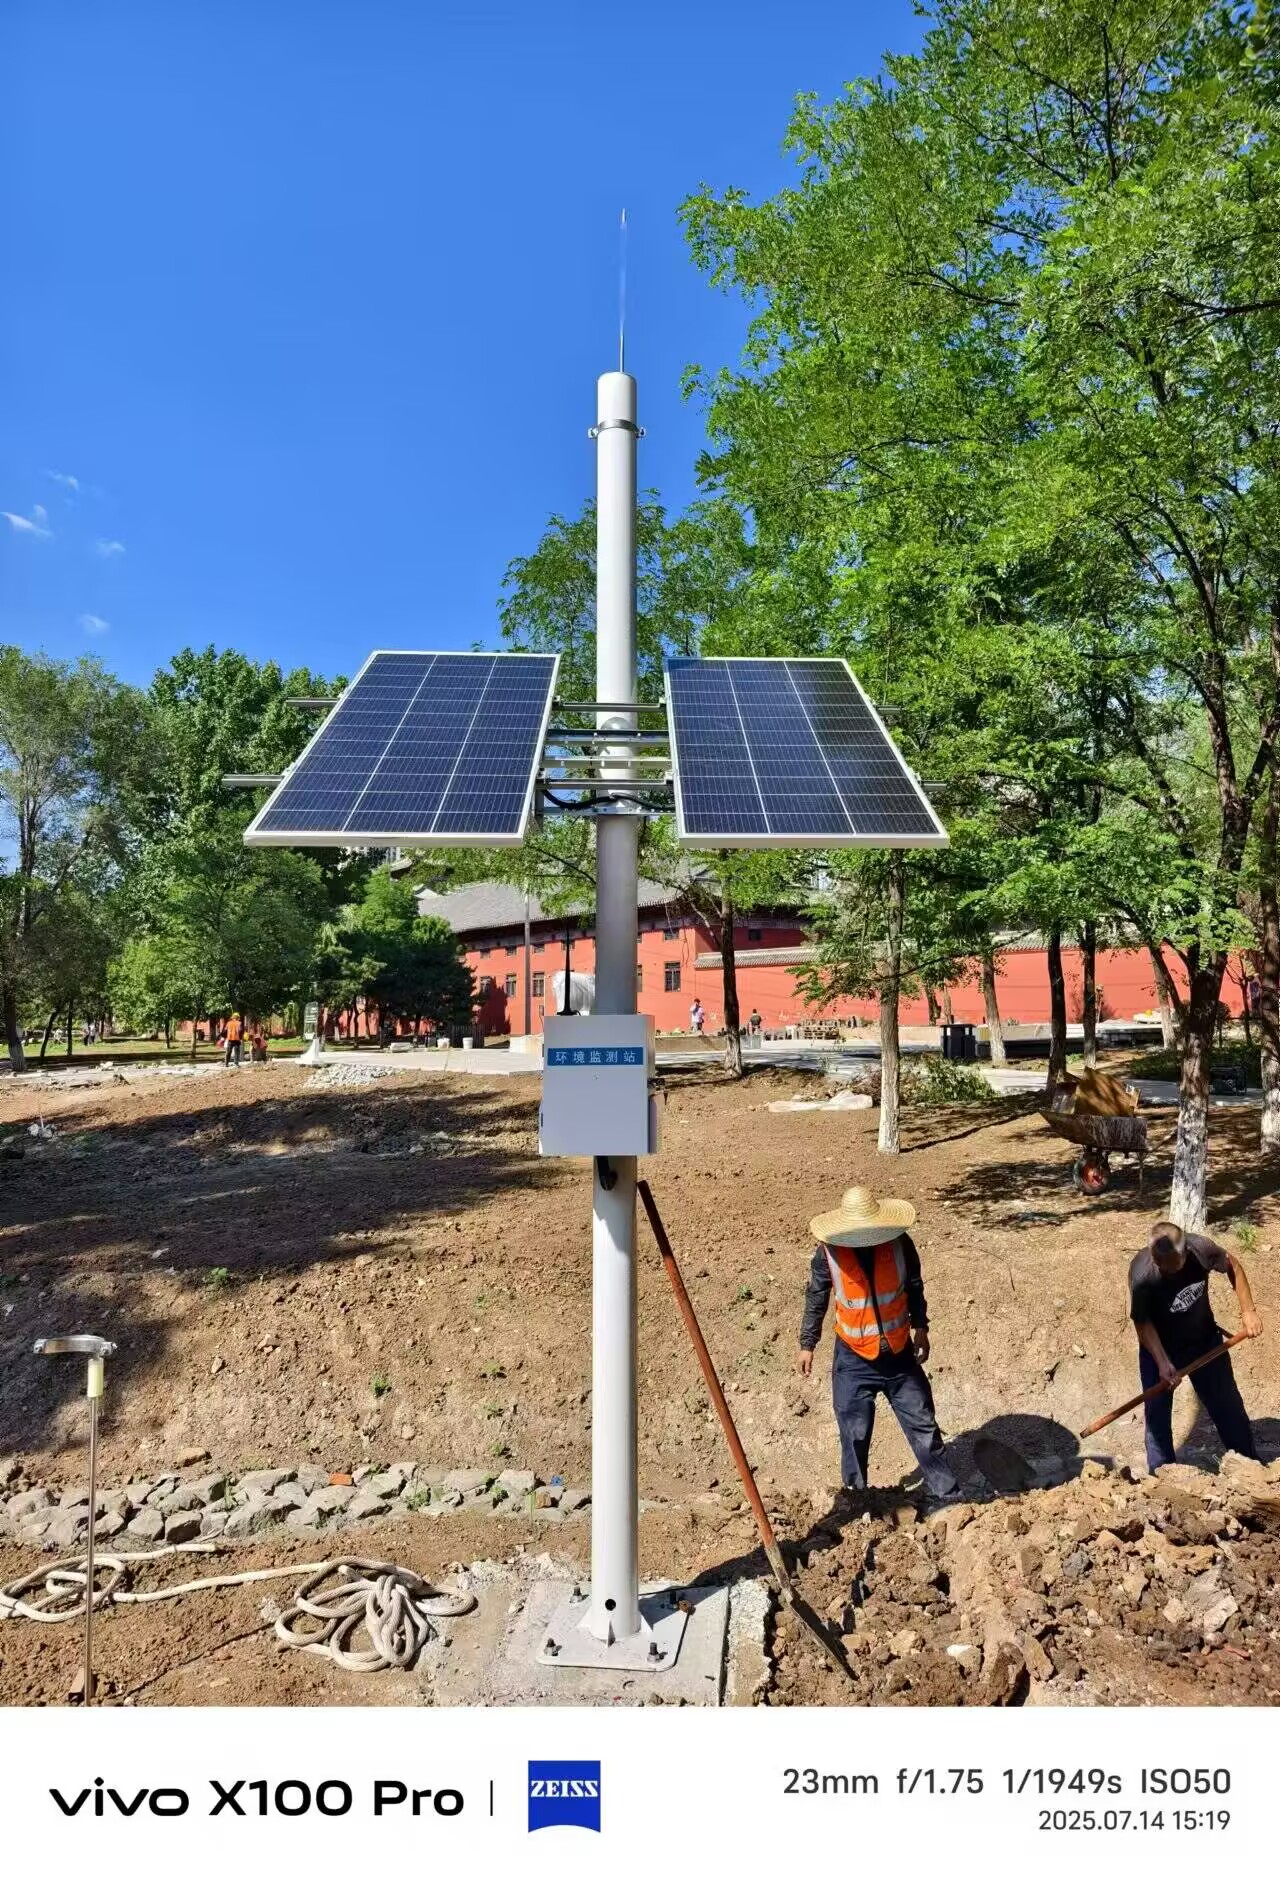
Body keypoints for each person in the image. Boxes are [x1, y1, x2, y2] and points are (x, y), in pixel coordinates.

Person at [799, 1183, 960, 1501]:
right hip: (853, 1359)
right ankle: (856, 1502)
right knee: (854, 1432)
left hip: (899, 1355)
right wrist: (808, 1343)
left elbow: (914, 1286)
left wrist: (921, 1327)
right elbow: (816, 1296)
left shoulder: (900, 1244)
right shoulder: (829, 1253)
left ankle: (950, 1497)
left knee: (923, 1426)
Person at [1129, 1219, 1263, 1472]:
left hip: (1204, 1342)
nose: (1166, 1271)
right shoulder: (1142, 1273)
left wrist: (1248, 1310)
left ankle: (1249, 1467)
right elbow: (1143, 1324)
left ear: (1185, 1252)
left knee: (1227, 1405)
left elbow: (1233, 1264)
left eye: (1173, 1266)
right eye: (1161, 1265)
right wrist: (1162, 1362)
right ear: (1153, 1255)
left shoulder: (1201, 1249)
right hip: (1161, 1348)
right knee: (1157, 1416)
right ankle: (1163, 1474)